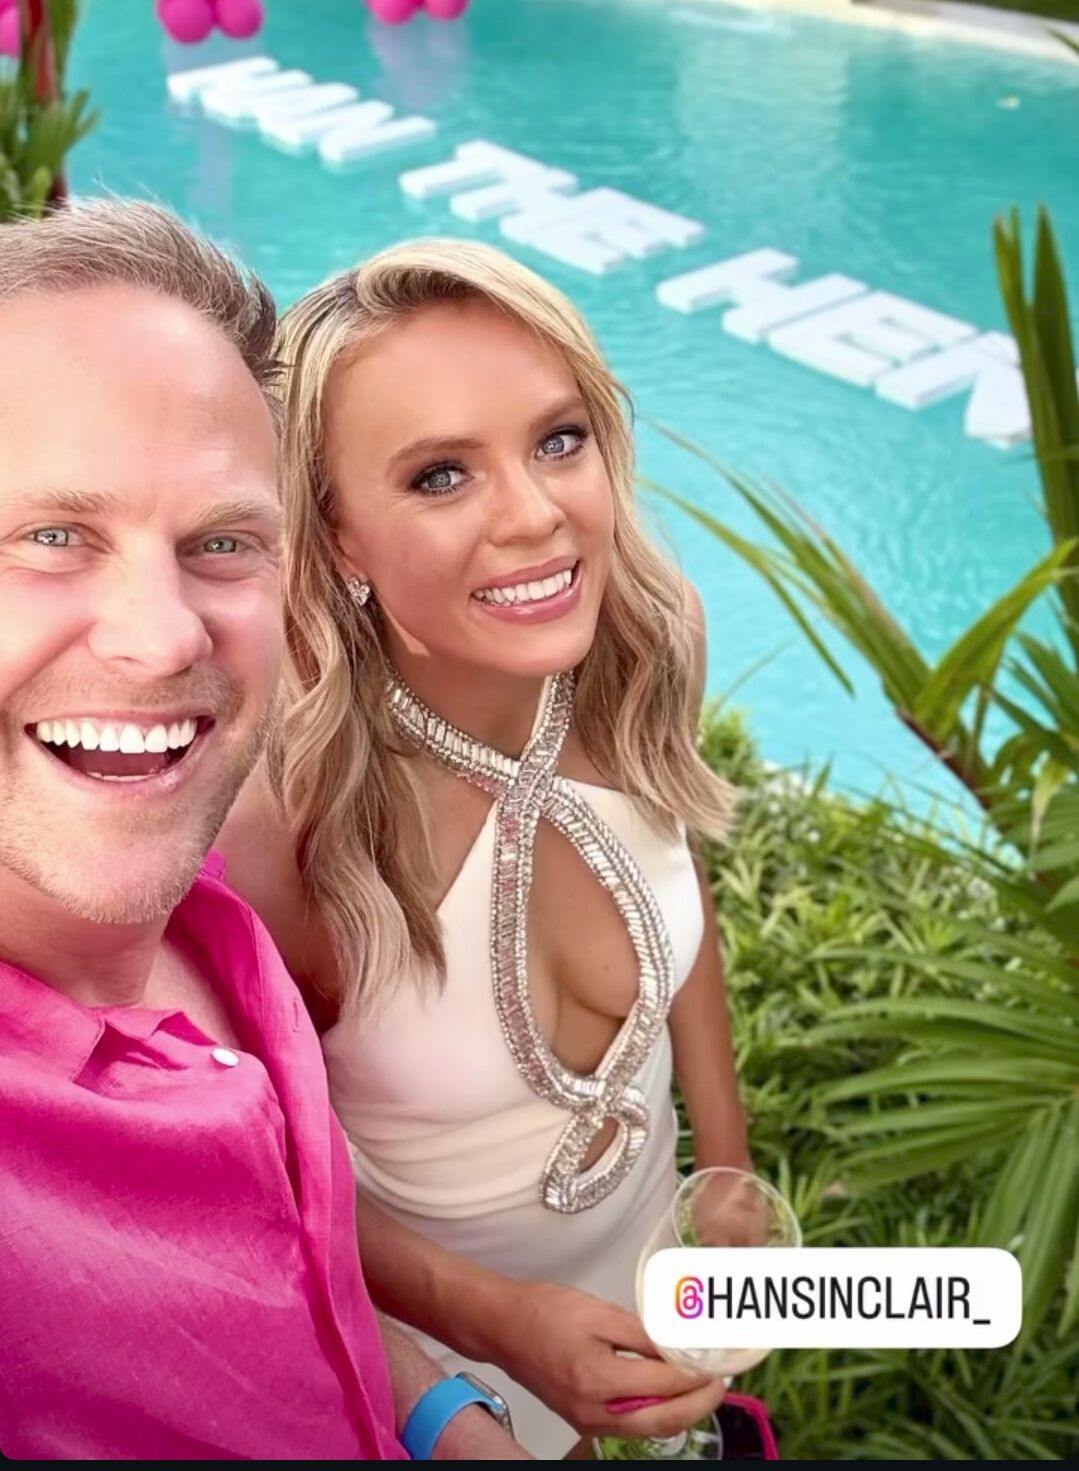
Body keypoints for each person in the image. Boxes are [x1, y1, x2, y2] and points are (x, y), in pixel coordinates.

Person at [0, 201, 528, 1462]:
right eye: (52, 538)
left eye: (222, 542)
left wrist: (454, 1420)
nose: (162, 632)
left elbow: (296, 1289)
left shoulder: (210, 919)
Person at [220, 239, 751, 1458]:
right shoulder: (282, 828)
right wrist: (499, 1322)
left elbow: (679, 893)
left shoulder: (634, 654)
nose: (533, 515)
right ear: (337, 538)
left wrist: (722, 1165)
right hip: (450, 1377)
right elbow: (259, 1172)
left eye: (558, 439)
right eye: (441, 474)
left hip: (648, 1258)